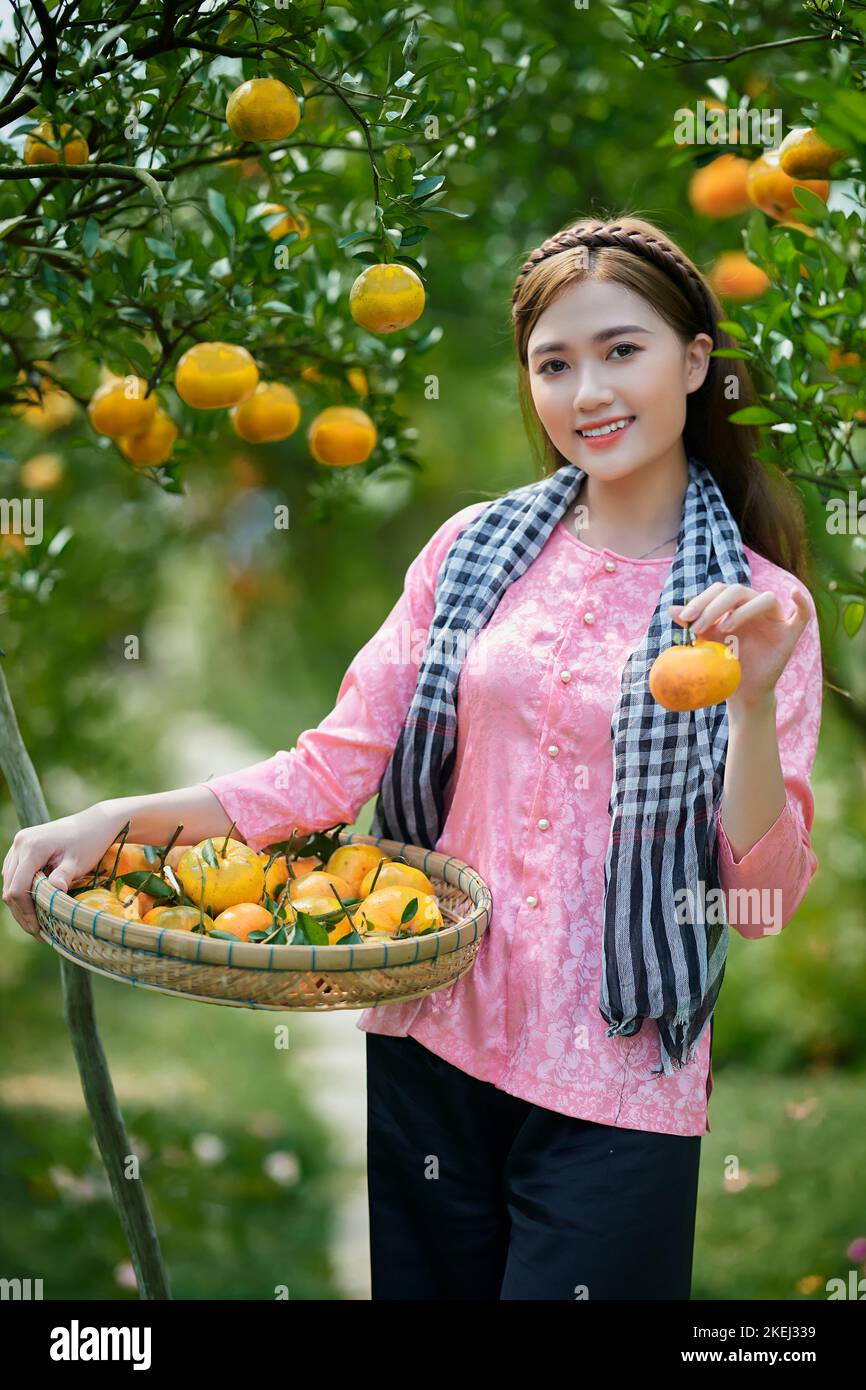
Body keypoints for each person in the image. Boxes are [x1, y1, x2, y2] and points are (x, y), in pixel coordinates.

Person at [3, 215, 823, 1301]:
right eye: (553, 362)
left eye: (620, 349)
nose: (587, 391)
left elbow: (757, 903)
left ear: (692, 360)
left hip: (616, 1084)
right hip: (428, 1043)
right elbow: (325, 772)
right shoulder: (469, 551)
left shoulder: (760, 611)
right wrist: (110, 821)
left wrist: (753, 703)